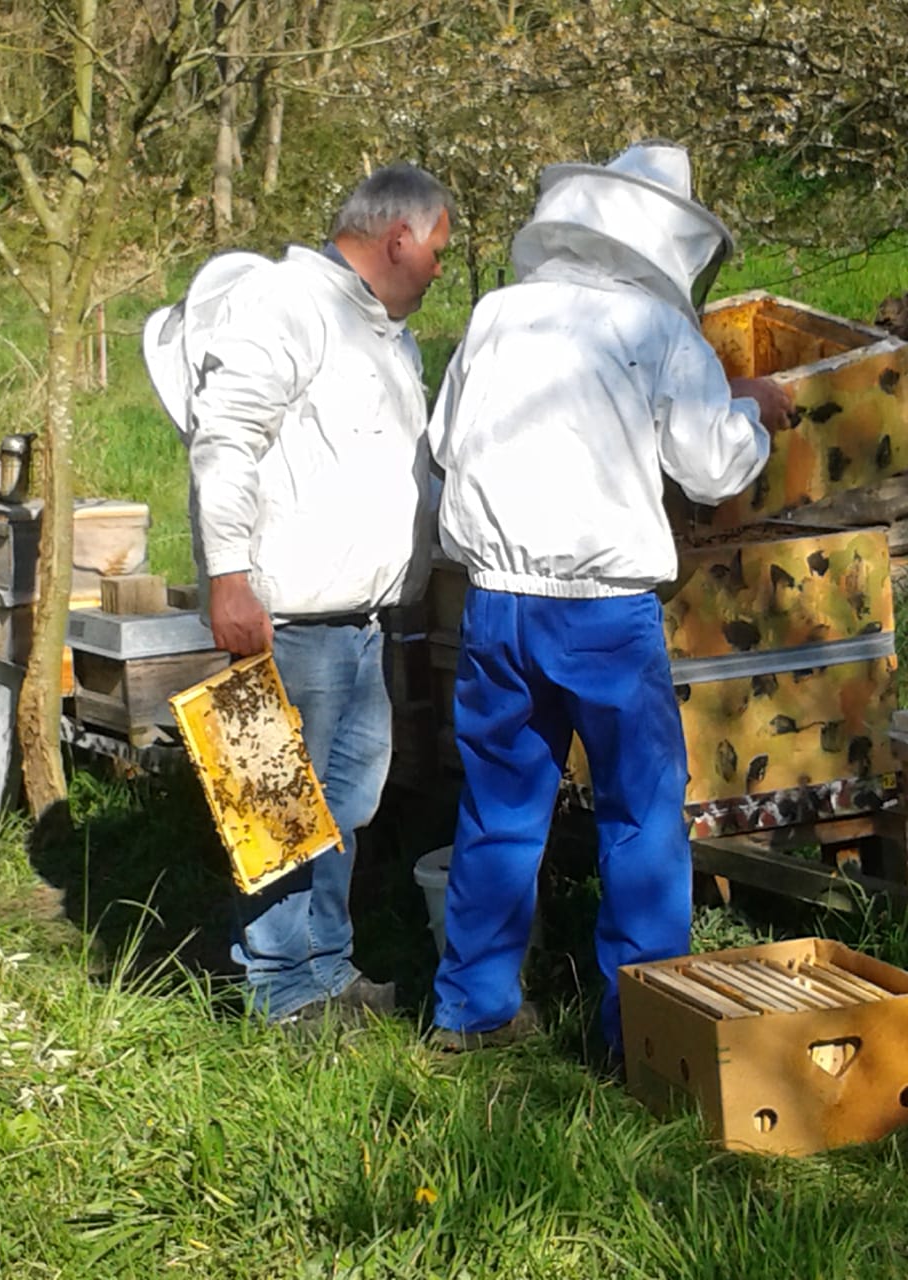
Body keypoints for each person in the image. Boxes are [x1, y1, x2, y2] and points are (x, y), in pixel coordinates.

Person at [426, 142, 792, 1056]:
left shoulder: (497, 314)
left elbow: (444, 445)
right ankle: (642, 1032)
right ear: (668, 242)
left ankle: (471, 1012)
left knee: (500, 809)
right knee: (639, 817)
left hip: (495, 602)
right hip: (601, 612)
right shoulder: (659, 332)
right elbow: (712, 469)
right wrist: (753, 414)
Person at [143, 163, 455, 1022]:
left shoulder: (387, 336)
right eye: (437, 250)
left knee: (343, 805)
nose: (438, 268)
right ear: (400, 236)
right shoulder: (285, 301)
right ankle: (282, 989)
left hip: (363, 620)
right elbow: (226, 441)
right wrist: (230, 578)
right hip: (281, 617)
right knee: (274, 805)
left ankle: (327, 966)